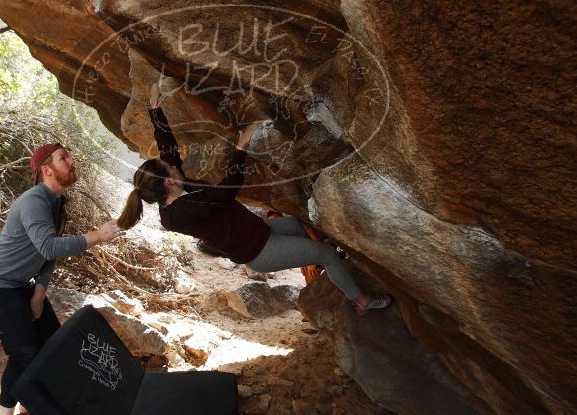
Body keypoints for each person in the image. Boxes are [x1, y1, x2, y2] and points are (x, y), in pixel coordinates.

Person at [118, 81, 392, 315]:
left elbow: (169, 148)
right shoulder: (177, 214)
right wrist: (241, 146)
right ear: (168, 181)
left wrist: (154, 107)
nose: (173, 164)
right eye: (169, 168)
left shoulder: (179, 186)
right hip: (259, 250)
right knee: (328, 253)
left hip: (259, 230)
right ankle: (361, 301)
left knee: (300, 225)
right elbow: (226, 192)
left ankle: (323, 266)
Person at [0, 143, 122, 415]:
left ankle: (31, 405)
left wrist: (39, 293)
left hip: (22, 284)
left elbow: (46, 256)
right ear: (46, 170)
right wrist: (97, 236)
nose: (71, 160)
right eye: (63, 158)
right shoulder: (34, 201)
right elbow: (50, 247)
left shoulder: (56, 203)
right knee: (24, 353)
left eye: (70, 155)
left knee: (53, 344)